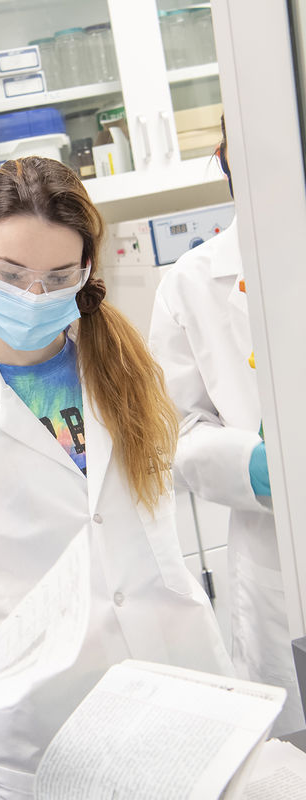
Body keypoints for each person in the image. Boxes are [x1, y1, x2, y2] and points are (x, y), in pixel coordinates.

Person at [0, 156, 234, 800]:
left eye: (58, 276)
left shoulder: (124, 375)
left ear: (86, 272)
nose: (35, 295)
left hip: (180, 692)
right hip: (44, 732)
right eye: (12, 273)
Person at [148, 116, 303, 735]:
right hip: (280, 564)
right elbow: (174, 436)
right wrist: (254, 466)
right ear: (224, 157)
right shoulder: (191, 284)